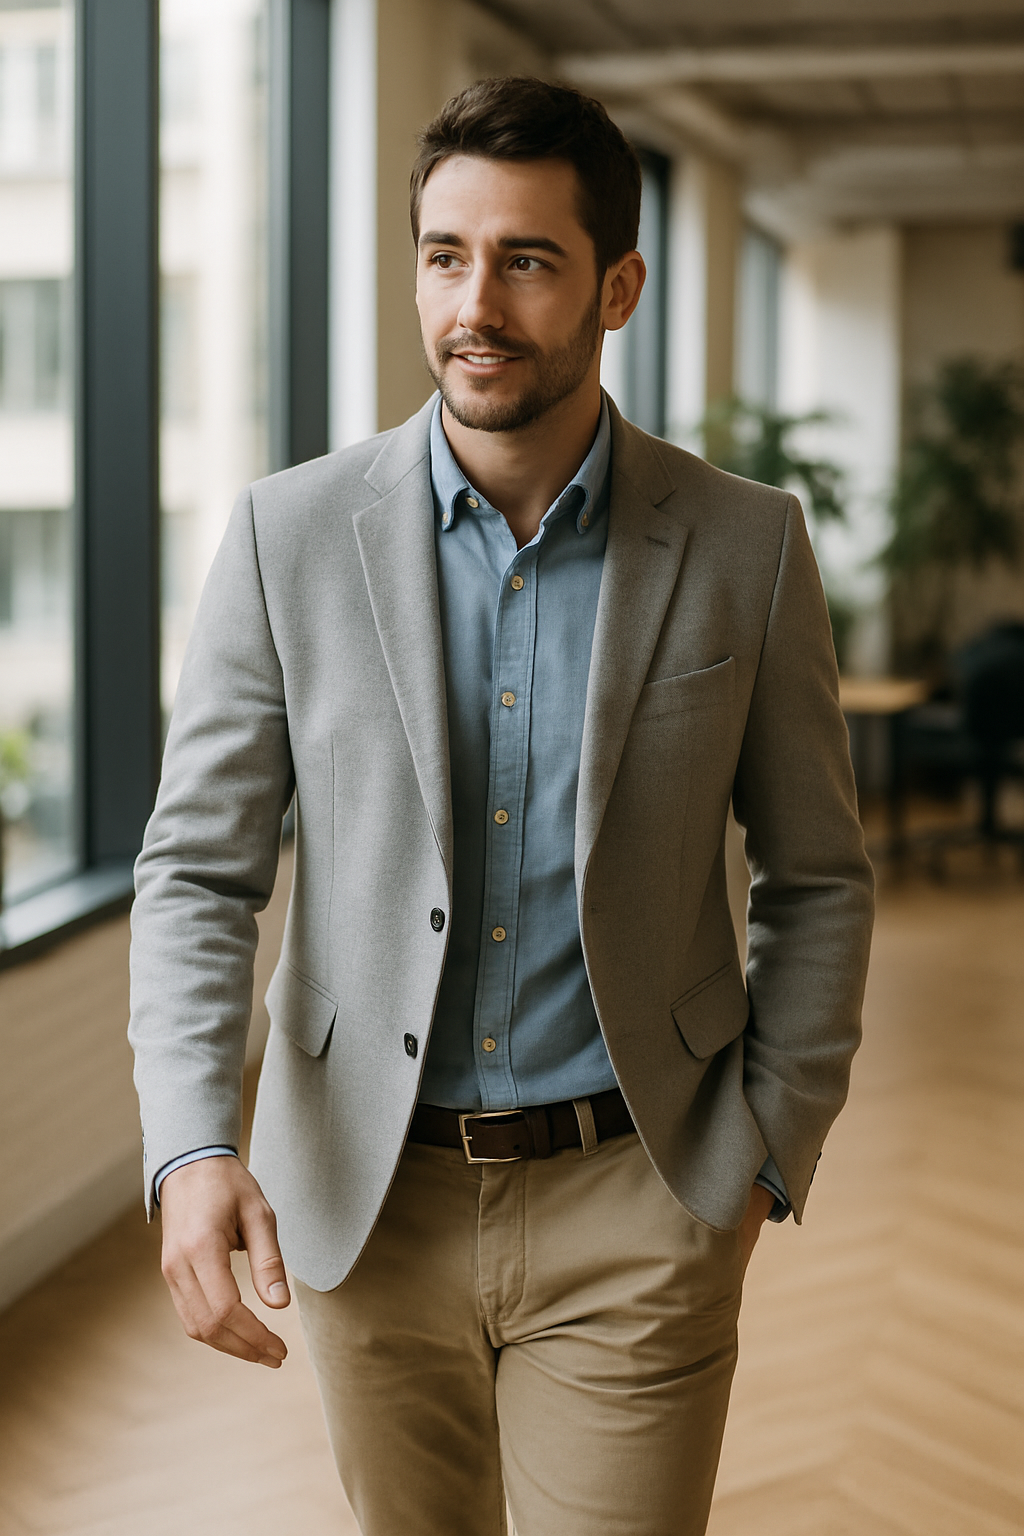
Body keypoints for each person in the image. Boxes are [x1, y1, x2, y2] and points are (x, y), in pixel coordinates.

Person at [129, 76, 874, 1536]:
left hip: (639, 1195)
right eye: (445, 256)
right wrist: (192, 1144)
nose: (476, 305)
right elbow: (198, 872)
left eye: (527, 260)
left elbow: (819, 876)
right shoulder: (288, 537)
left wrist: (763, 1151)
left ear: (617, 288)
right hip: (365, 1202)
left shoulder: (748, 547)